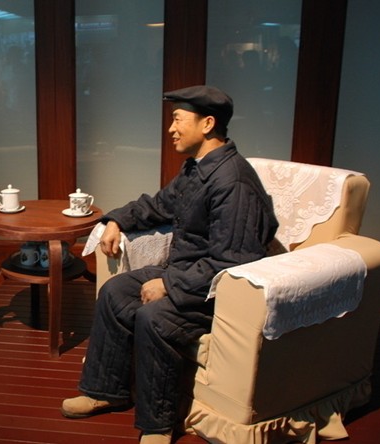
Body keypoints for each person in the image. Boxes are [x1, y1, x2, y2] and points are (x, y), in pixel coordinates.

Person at [60, 85, 279, 443]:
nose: (171, 129)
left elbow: (234, 260)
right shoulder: (197, 168)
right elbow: (159, 205)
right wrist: (115, 220)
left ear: (207, 124)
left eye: (178, 120)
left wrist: (169, 285)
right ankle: (106, 390)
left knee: (154, 317)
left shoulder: (234, 182)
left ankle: (158, 424)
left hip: (217, 292)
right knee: (116, 291)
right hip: (185, 272)